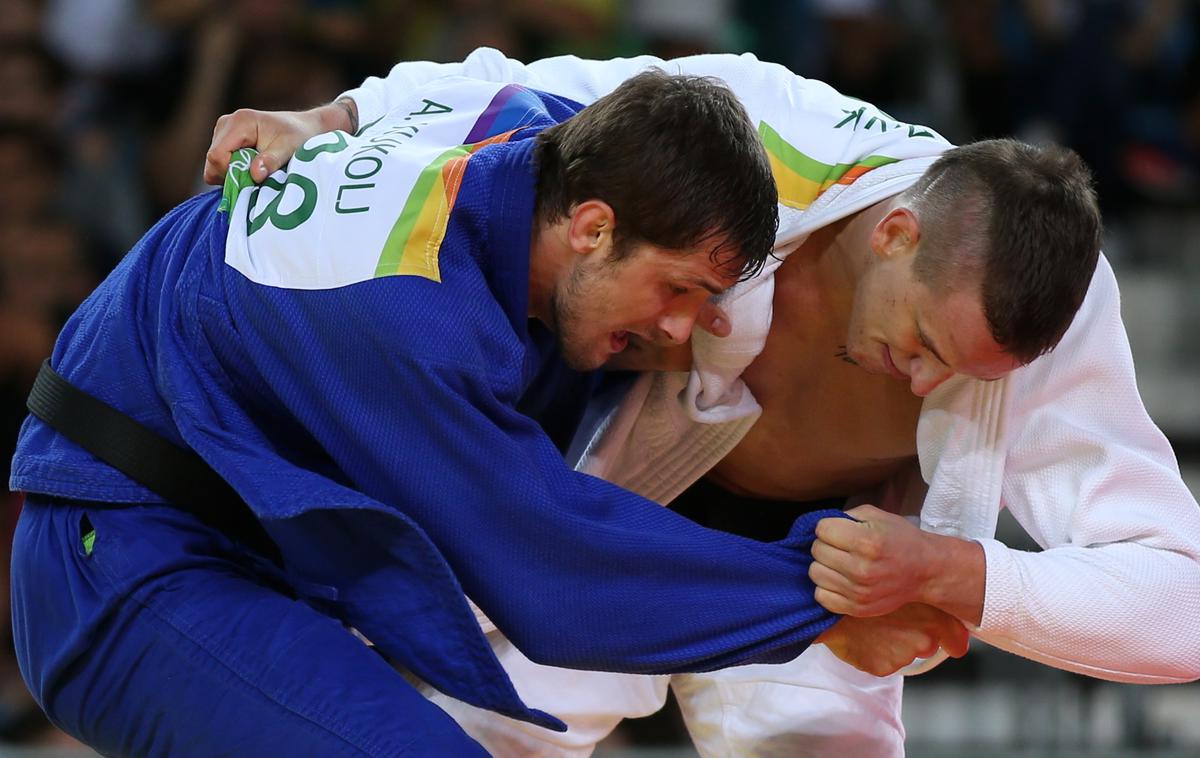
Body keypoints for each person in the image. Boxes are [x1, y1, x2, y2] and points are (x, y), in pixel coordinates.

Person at [205, 49, 1200, 757]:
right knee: (469, 734)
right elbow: (514, 97)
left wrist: (970, 573)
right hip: (620, 508)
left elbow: (1181, 606)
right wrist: (331, 119)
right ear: (897, 232)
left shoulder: (1050, 316)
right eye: (928, 344)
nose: (934, 382)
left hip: (824, 573)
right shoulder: (766, 129)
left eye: (970, 375)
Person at [9, 71, 968, 756]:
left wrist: (334, 111)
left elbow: (483, 79)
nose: (682, 330)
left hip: (238, 548)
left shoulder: (532, 137)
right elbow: (552, 573)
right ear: (593, 228)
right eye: (676, 290)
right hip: (124, 561)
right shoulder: (401, 311)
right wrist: (821, 605)